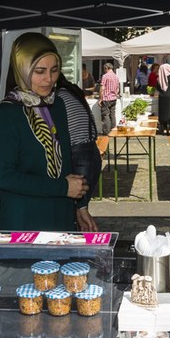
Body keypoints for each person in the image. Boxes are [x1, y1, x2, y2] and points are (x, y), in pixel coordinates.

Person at [0, 33, 89, 232]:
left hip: (60, 213)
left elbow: (66, 162)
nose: (49, 79)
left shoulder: (57, 104)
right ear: (22, 69)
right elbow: (4, 177)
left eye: (54, 70)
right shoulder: (7, 114)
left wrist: (80, 205)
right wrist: (63, 188)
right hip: (26, 219)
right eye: (39, 71)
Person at [56, 75, 101, 232]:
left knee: (75, 206)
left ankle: (79, 243)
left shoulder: (58, 98)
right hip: (91, 150)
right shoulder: (71, 92)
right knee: (80, 206)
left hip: (78, 152)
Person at [99, 62, 120, 135]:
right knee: (112, 114)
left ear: (106, 68)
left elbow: (102, 88)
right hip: (114, 98)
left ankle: (106, 132)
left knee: (106, 115)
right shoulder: (116, 76)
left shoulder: (105, 76)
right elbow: (117, 89)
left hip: (106, 98)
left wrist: (100, 99)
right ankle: (113, 130)